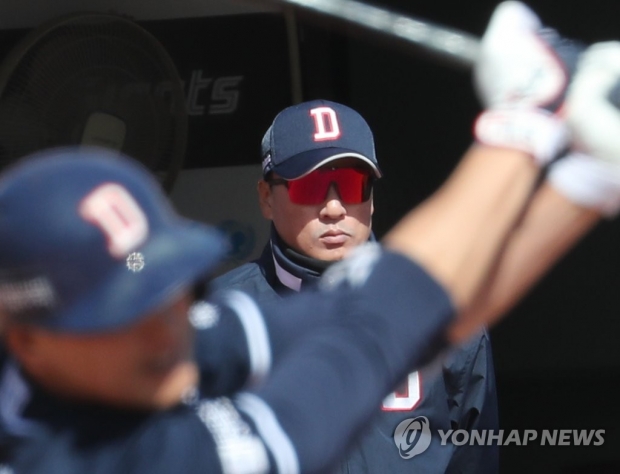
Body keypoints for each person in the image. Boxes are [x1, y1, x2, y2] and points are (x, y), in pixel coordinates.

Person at [1, 2, 620, 473]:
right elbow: (364, 345)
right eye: (125, 313)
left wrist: (583, 180)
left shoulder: (148, 352)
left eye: (165, 292)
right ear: (26, 339)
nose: (168, 328)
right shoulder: (136, 455)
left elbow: (389, 308)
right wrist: (522, 126)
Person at [211, 97, 499, 474]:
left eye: (350, 184)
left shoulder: (438, 308)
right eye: (310, 186)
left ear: (372, 197)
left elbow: (474, 459)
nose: (334, 209)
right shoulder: (215, 317)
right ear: (267, 197)